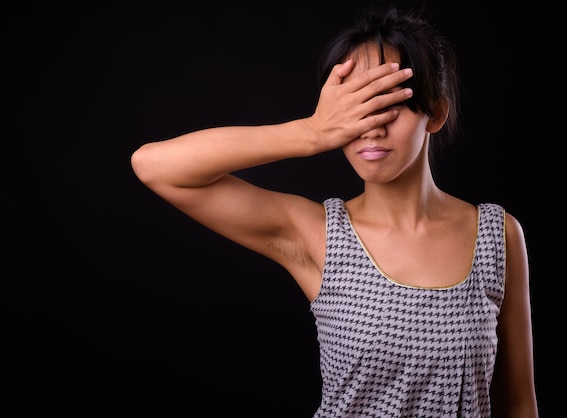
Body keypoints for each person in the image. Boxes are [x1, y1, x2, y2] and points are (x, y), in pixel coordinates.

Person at [131, 4, 539, 417]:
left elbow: (519, 402)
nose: (370, 127)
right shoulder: (317, 234)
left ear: (435, 113)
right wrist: (312, 131)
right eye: (353, 109)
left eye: (386, 103)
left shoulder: (497, 234)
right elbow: (154, 166)